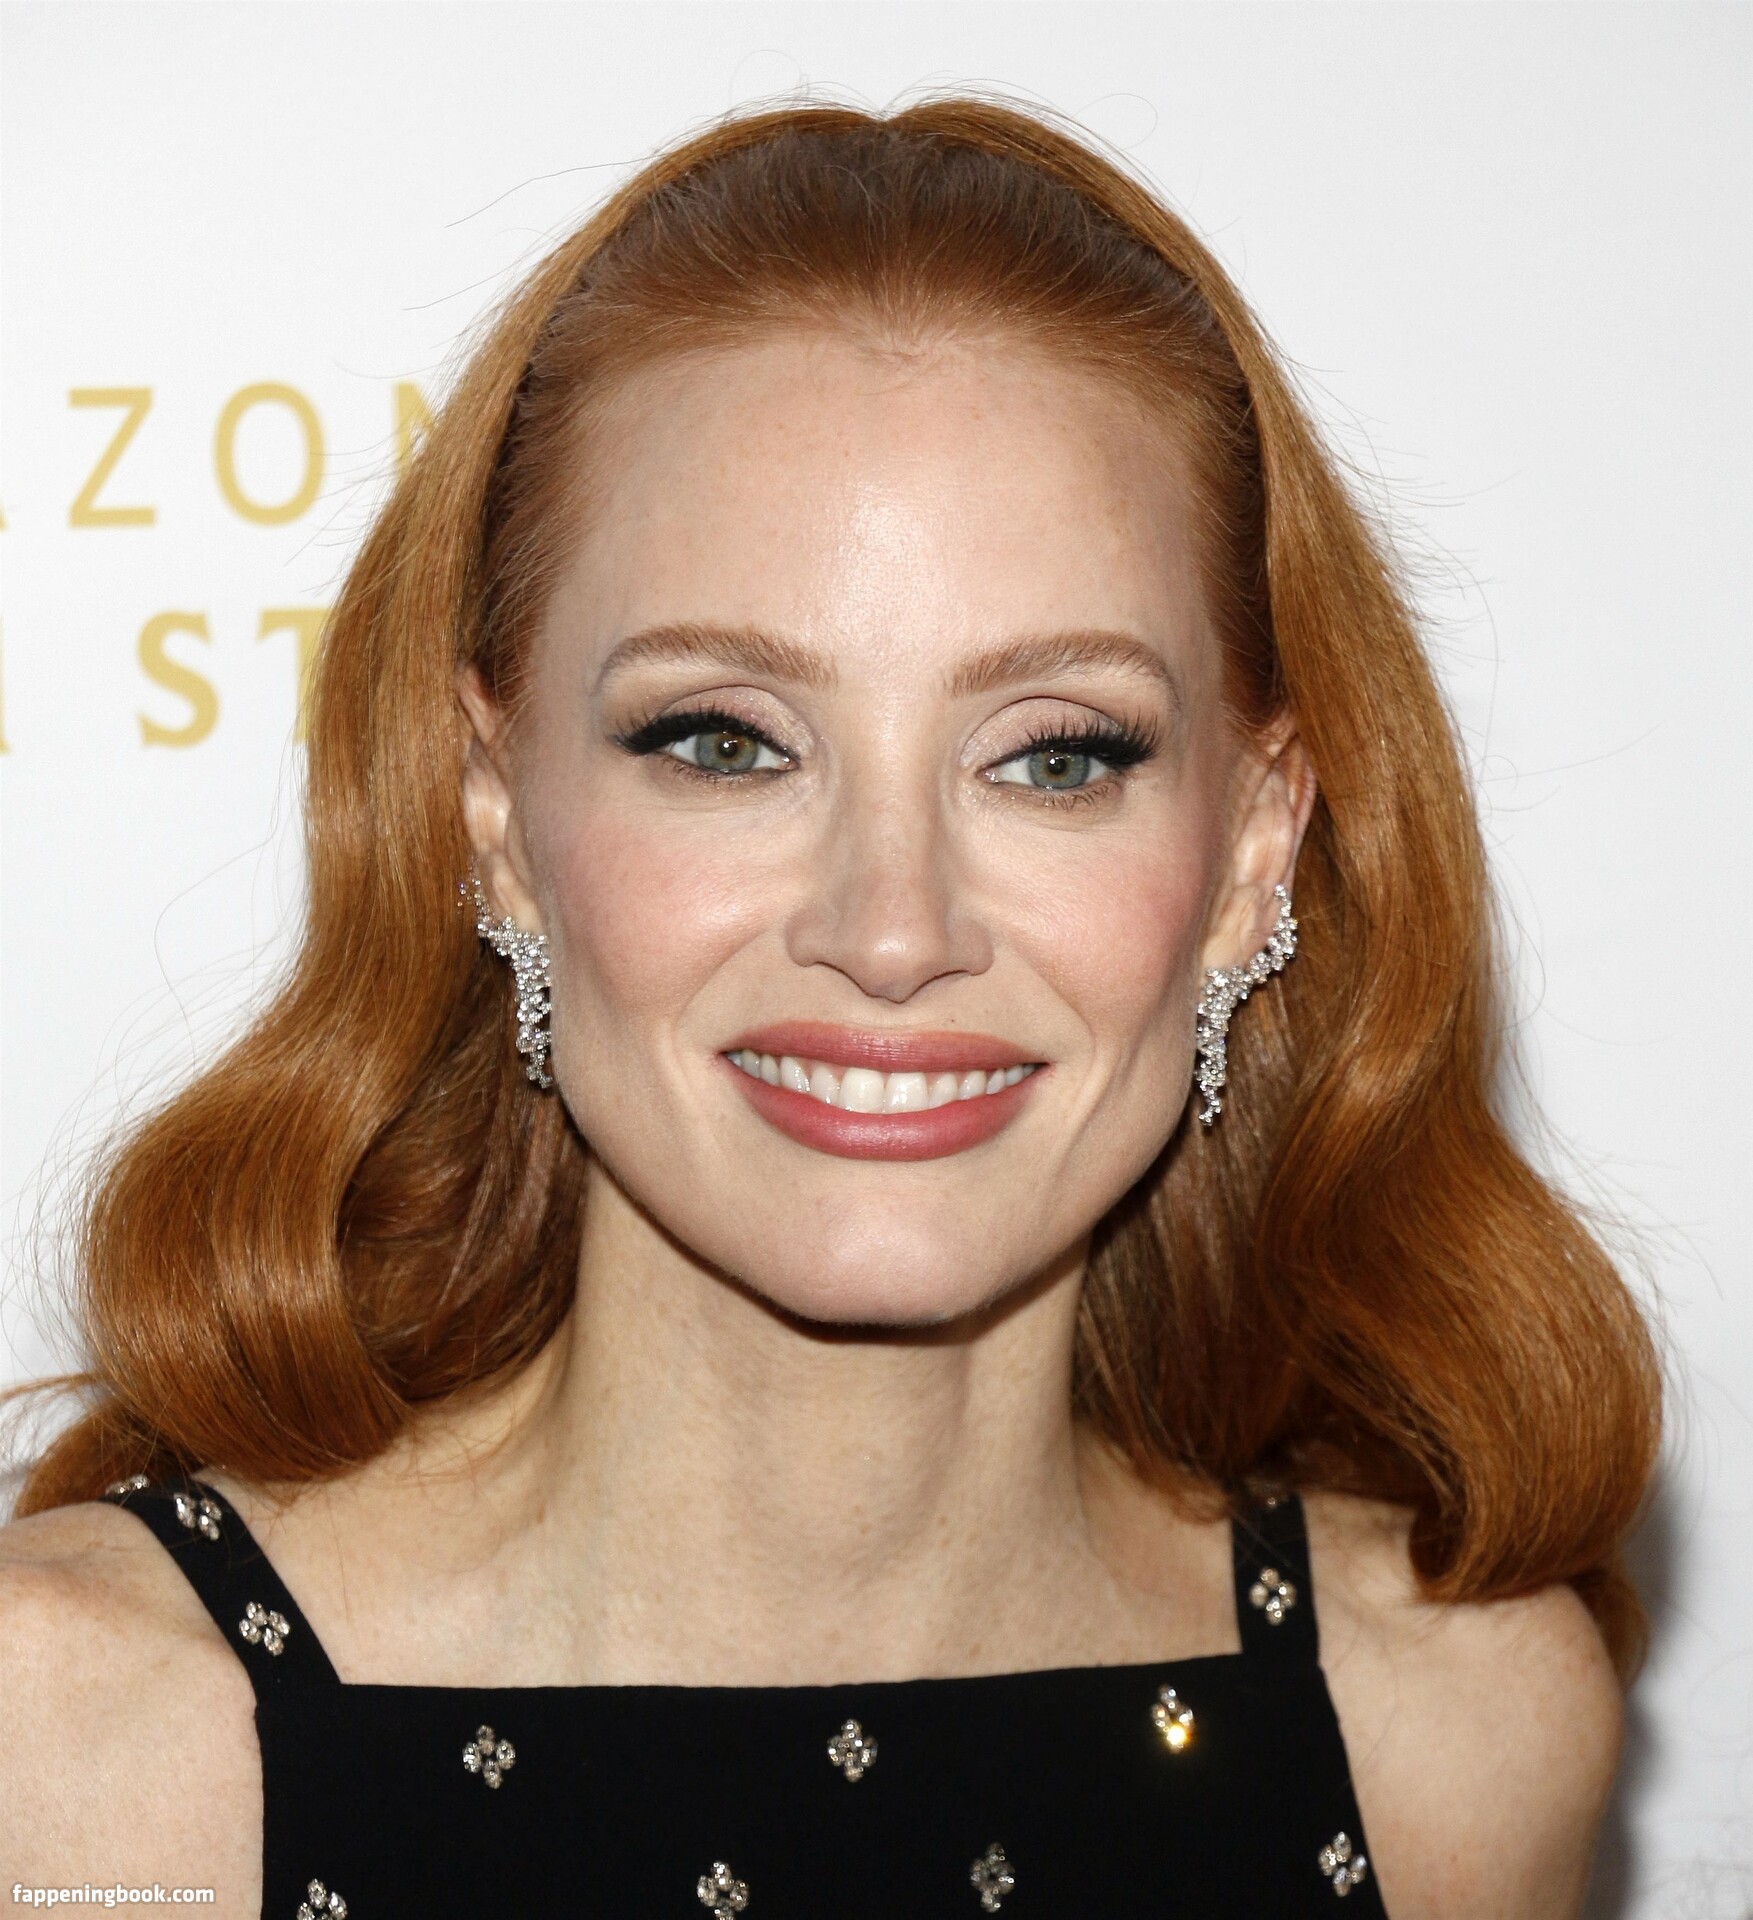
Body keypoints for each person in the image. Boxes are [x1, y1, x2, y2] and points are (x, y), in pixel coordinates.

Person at [0, 100, 1659, 1918]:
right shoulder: (78, 1753)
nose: (890, 931)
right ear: (495, 821)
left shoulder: (1449, 1738)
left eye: (1053, 756)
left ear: (1254, 851)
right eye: (725, 742)